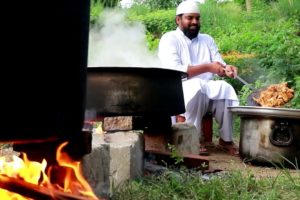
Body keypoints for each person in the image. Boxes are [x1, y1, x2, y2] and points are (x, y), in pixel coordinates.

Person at [158, 0, 239, 156]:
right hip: (179, 90)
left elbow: (218, 64)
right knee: (195, 87)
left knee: (225, 88)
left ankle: (226, 140)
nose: (194, 22)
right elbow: (175, 71)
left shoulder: (207, 39)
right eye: (190, 18)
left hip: (206, 89)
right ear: (178, 20)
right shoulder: (169, 39)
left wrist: (226, 69)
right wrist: (208, 67)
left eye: (197, 18)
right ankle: (193, 139)